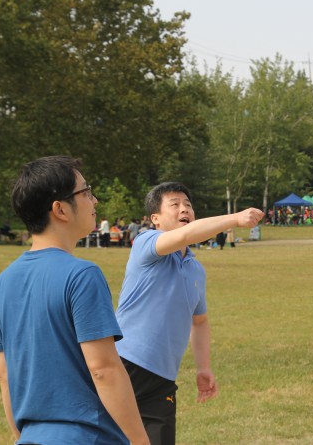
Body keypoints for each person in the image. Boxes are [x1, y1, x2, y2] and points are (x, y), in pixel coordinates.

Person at [0, 156, 149, 445]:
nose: (95, 201)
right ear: (60, 209)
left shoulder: (1, 283)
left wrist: (22, 436)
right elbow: (103, 369)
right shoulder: (82, 275)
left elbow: (4, 374)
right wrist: (139, 441)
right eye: (86, 192)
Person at [115, 182, 264, 444]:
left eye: (188, 205)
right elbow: (185, 236)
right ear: (155, 219)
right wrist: (234, 219)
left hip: (163, 378)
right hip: (124, 366)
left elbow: (200, 321)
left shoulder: (195, 269)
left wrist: (203, 367)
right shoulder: (146, 243)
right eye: (175, 204)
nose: (184, 209)